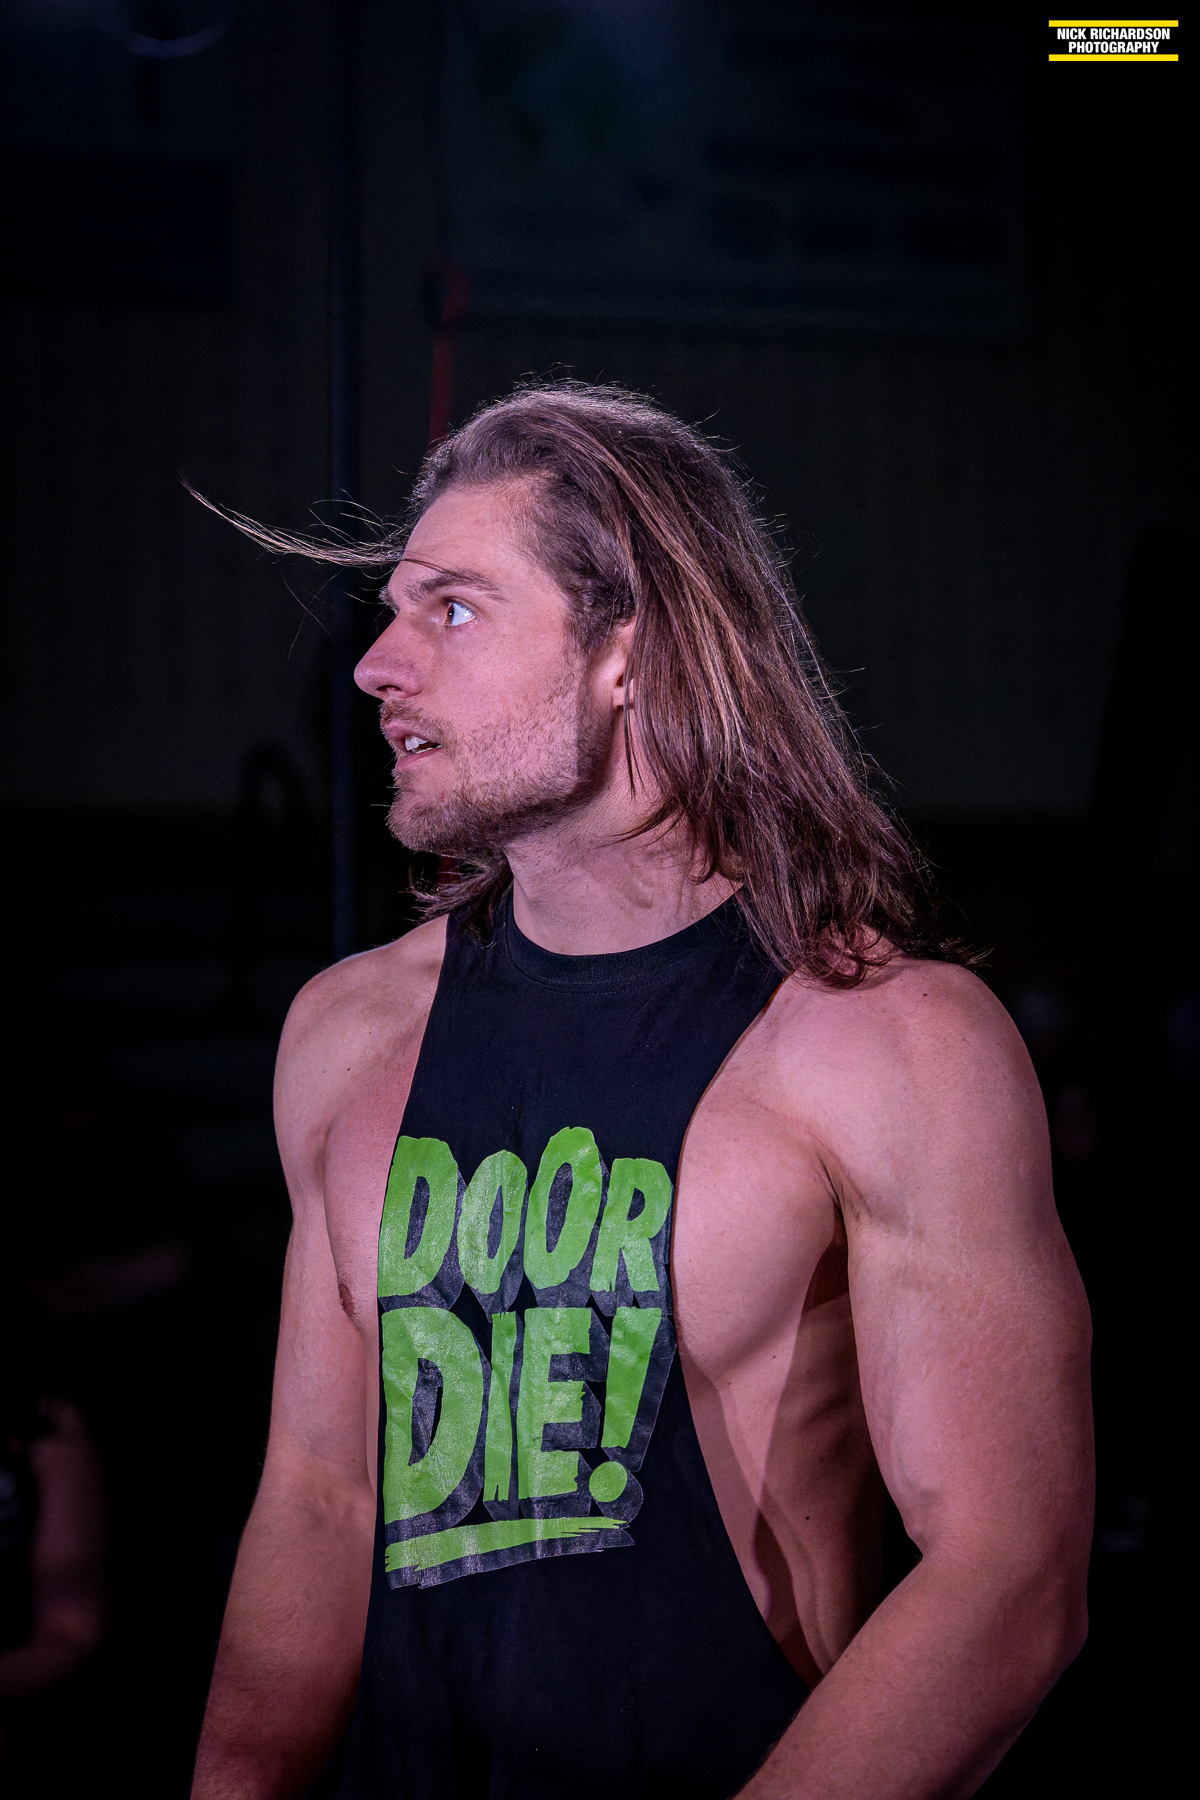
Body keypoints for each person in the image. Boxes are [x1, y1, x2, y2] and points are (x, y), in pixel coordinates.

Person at [191, 384, 1093, 1800]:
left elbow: (1008, 1575)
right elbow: (321, 1499)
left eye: (454, 609)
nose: (376, 666)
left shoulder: (885, 1044)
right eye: (393, 610)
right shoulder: (348, 1036)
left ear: (629, 652)